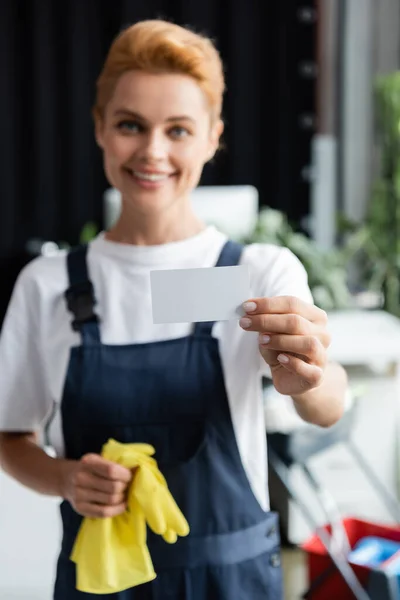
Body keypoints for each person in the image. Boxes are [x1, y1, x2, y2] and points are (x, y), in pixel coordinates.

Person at [0, 19, 347, 600]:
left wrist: (306, 377)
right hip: (101, 581)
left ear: (213, 137)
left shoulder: (260, 271)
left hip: (232, 581)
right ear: (100, 130)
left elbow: (327, 406)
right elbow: (11, 436)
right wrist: (64, 477)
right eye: (131, 125)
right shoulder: (47, 284)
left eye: (179, 130)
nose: (153, 152)